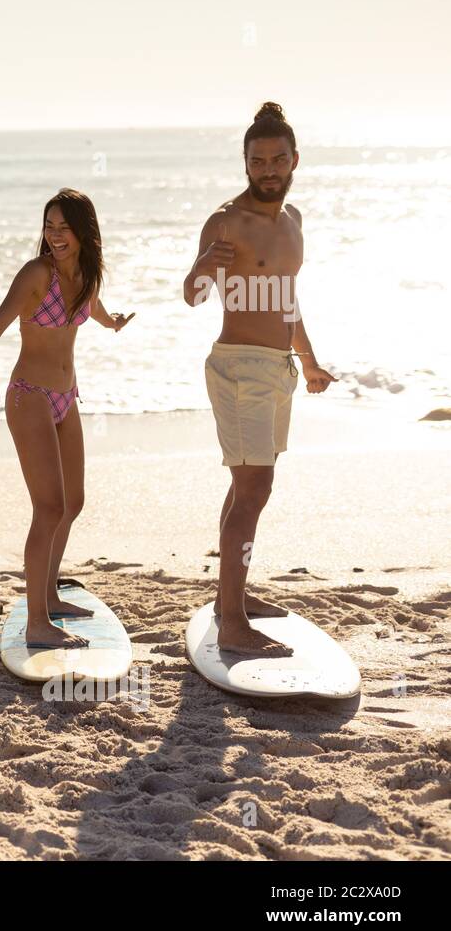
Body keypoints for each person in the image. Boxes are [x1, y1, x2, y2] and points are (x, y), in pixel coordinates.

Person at [0, 189, 133, 647]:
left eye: (64, 227)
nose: (55, 235)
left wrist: (112, 322)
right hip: (30, 397)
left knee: (72, 502)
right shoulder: (36, 274)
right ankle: (37, 623)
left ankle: (49, 594)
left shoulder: (87, 273)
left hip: (68, 396)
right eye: (49, 226)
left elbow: (94, 307)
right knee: (48, 507)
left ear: (84, 230)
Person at [182, 102, 336, 657]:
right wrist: (201, 267)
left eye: (277, 159)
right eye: (257, 160)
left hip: (278, 369)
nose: (268, 169)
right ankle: (232, 624)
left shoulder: (293, 222)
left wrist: (309, 360)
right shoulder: (226, 221)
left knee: (247, 487)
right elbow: (194, 297)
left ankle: (232, 602)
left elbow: (286, 300)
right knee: (254, 490)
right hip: (239, 366)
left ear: (294, 159)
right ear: (244, 163)